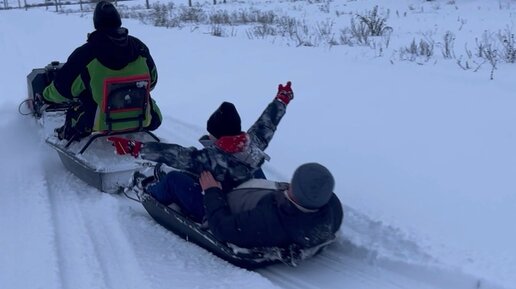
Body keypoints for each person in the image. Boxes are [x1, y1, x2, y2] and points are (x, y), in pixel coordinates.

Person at [110, 81, 295, 221]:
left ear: (219, 136)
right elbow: (267, 123)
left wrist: (136, 147)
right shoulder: (253, 143)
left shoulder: (212, 158)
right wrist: (281, 100)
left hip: (221, 211)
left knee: (174, 180)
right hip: (251, 200)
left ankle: (151, 192)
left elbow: (176, 154)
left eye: (212, 134)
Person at [42, 0, 162, 141]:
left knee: (80, 106)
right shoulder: (139, 48)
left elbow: (63, 89)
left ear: (96, 23)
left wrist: (46, 96)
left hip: (98, 123)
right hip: (145, 119)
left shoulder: (86, 54)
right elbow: (152, 82)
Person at [199, 163, 343, 249]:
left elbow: (221, 228)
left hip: (224, 206)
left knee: (177, 180)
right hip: (260, 197)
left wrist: (212, 192)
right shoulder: (333, 209)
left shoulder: (269, 220)